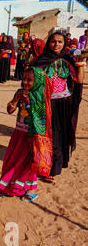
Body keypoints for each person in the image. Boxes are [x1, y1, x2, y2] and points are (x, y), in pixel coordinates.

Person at [32, 31, 85, 182]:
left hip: (65, 103)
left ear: (64, 43)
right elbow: (32, 82)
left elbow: (79, 80)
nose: (56, 45)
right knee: (50, 135)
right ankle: (48, 166)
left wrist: (81, 62)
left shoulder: (68, 59)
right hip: (47, 104)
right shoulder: (41, 60)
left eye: (60, 42)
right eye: (53, 41)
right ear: (48, 43)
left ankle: (54, 167)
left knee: (60, 135)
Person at [0, 67, 53, 201]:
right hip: (18, 134)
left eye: (30, 80)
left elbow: (42, 117)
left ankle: (29, 190)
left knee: (28, 164)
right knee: (12, 160)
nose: (26, 83)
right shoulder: (20, 92)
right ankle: (10, 187)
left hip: (32, 136)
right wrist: (16, 98)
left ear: (38, 82)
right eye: (24, 79)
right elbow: (10, 110)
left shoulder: (41, 97)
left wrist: (30, 103)